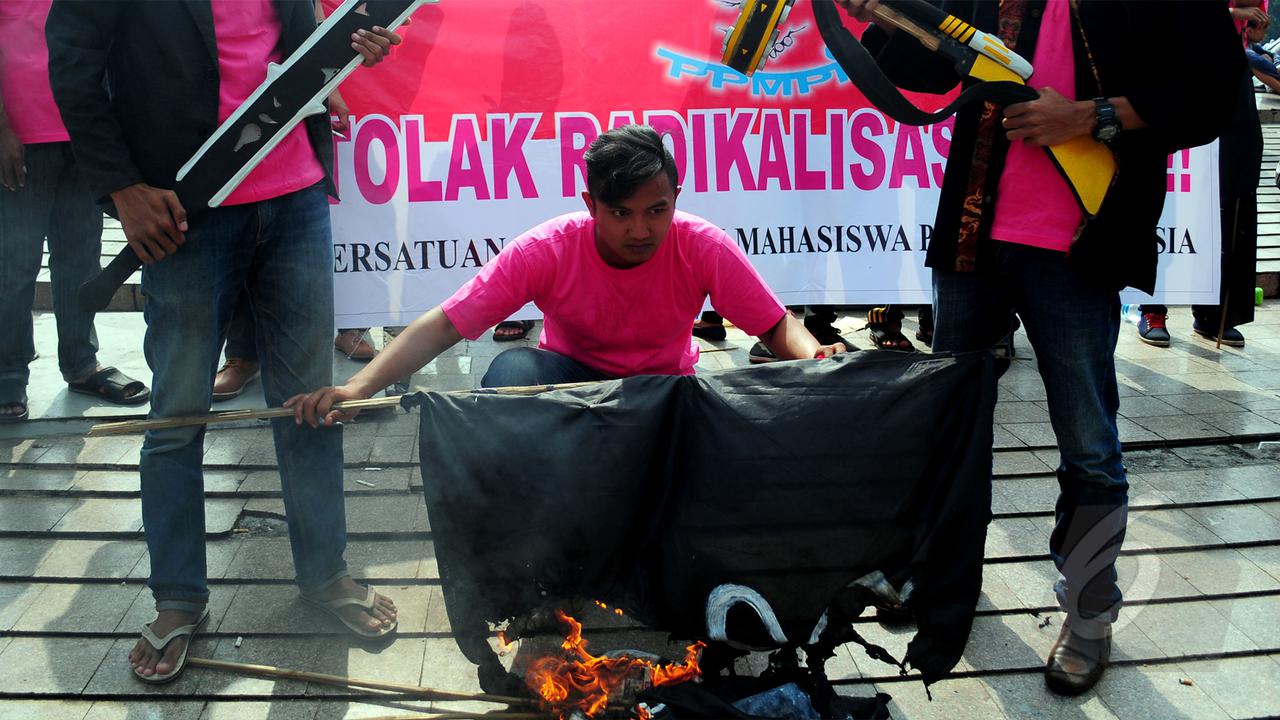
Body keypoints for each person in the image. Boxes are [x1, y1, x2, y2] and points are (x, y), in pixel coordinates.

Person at [837, 0, 1241, 696]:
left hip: (1081, 246)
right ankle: (940, 578)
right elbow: (928, 69)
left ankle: (1088, 611)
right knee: (949, 428)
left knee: (1088, 441)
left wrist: (1091, 116)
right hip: (972, 233)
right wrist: (877, 12)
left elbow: (1212, 95)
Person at [47, 0, 403, 683]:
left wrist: (347, 54)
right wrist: (122, 188)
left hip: (295, 195)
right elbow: (73, 67)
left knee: (313, 403)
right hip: (180, 208)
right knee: (177, 417)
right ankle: (178, 597)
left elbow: (289, 44)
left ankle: (325, 574)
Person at [286, 124, 844, 426]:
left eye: (657, 210)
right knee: (508, 375)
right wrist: (357, 388)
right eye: (620, 213)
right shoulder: (546, 249)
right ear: (590, 204)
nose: (641, 230)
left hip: (665, 389)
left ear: (677, 198)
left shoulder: (702, 244)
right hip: (570, 381)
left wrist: (821, 364)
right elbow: (445, 326)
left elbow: (775, 327)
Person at [0, 0, 150, 423]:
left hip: (84, 134)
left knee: (80, 258)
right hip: (20, 140)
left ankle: (82, 364)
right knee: (14, 264)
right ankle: (8, 374)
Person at [1138, 2, 1265, 348]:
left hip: (1228, 73)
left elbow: (1251, 19)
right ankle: (1152, 308)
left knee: (1233, 184)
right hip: (1171, 67)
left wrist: (1251, 32)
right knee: (1165, 186)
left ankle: (1217, 311)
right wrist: (1231, 16)